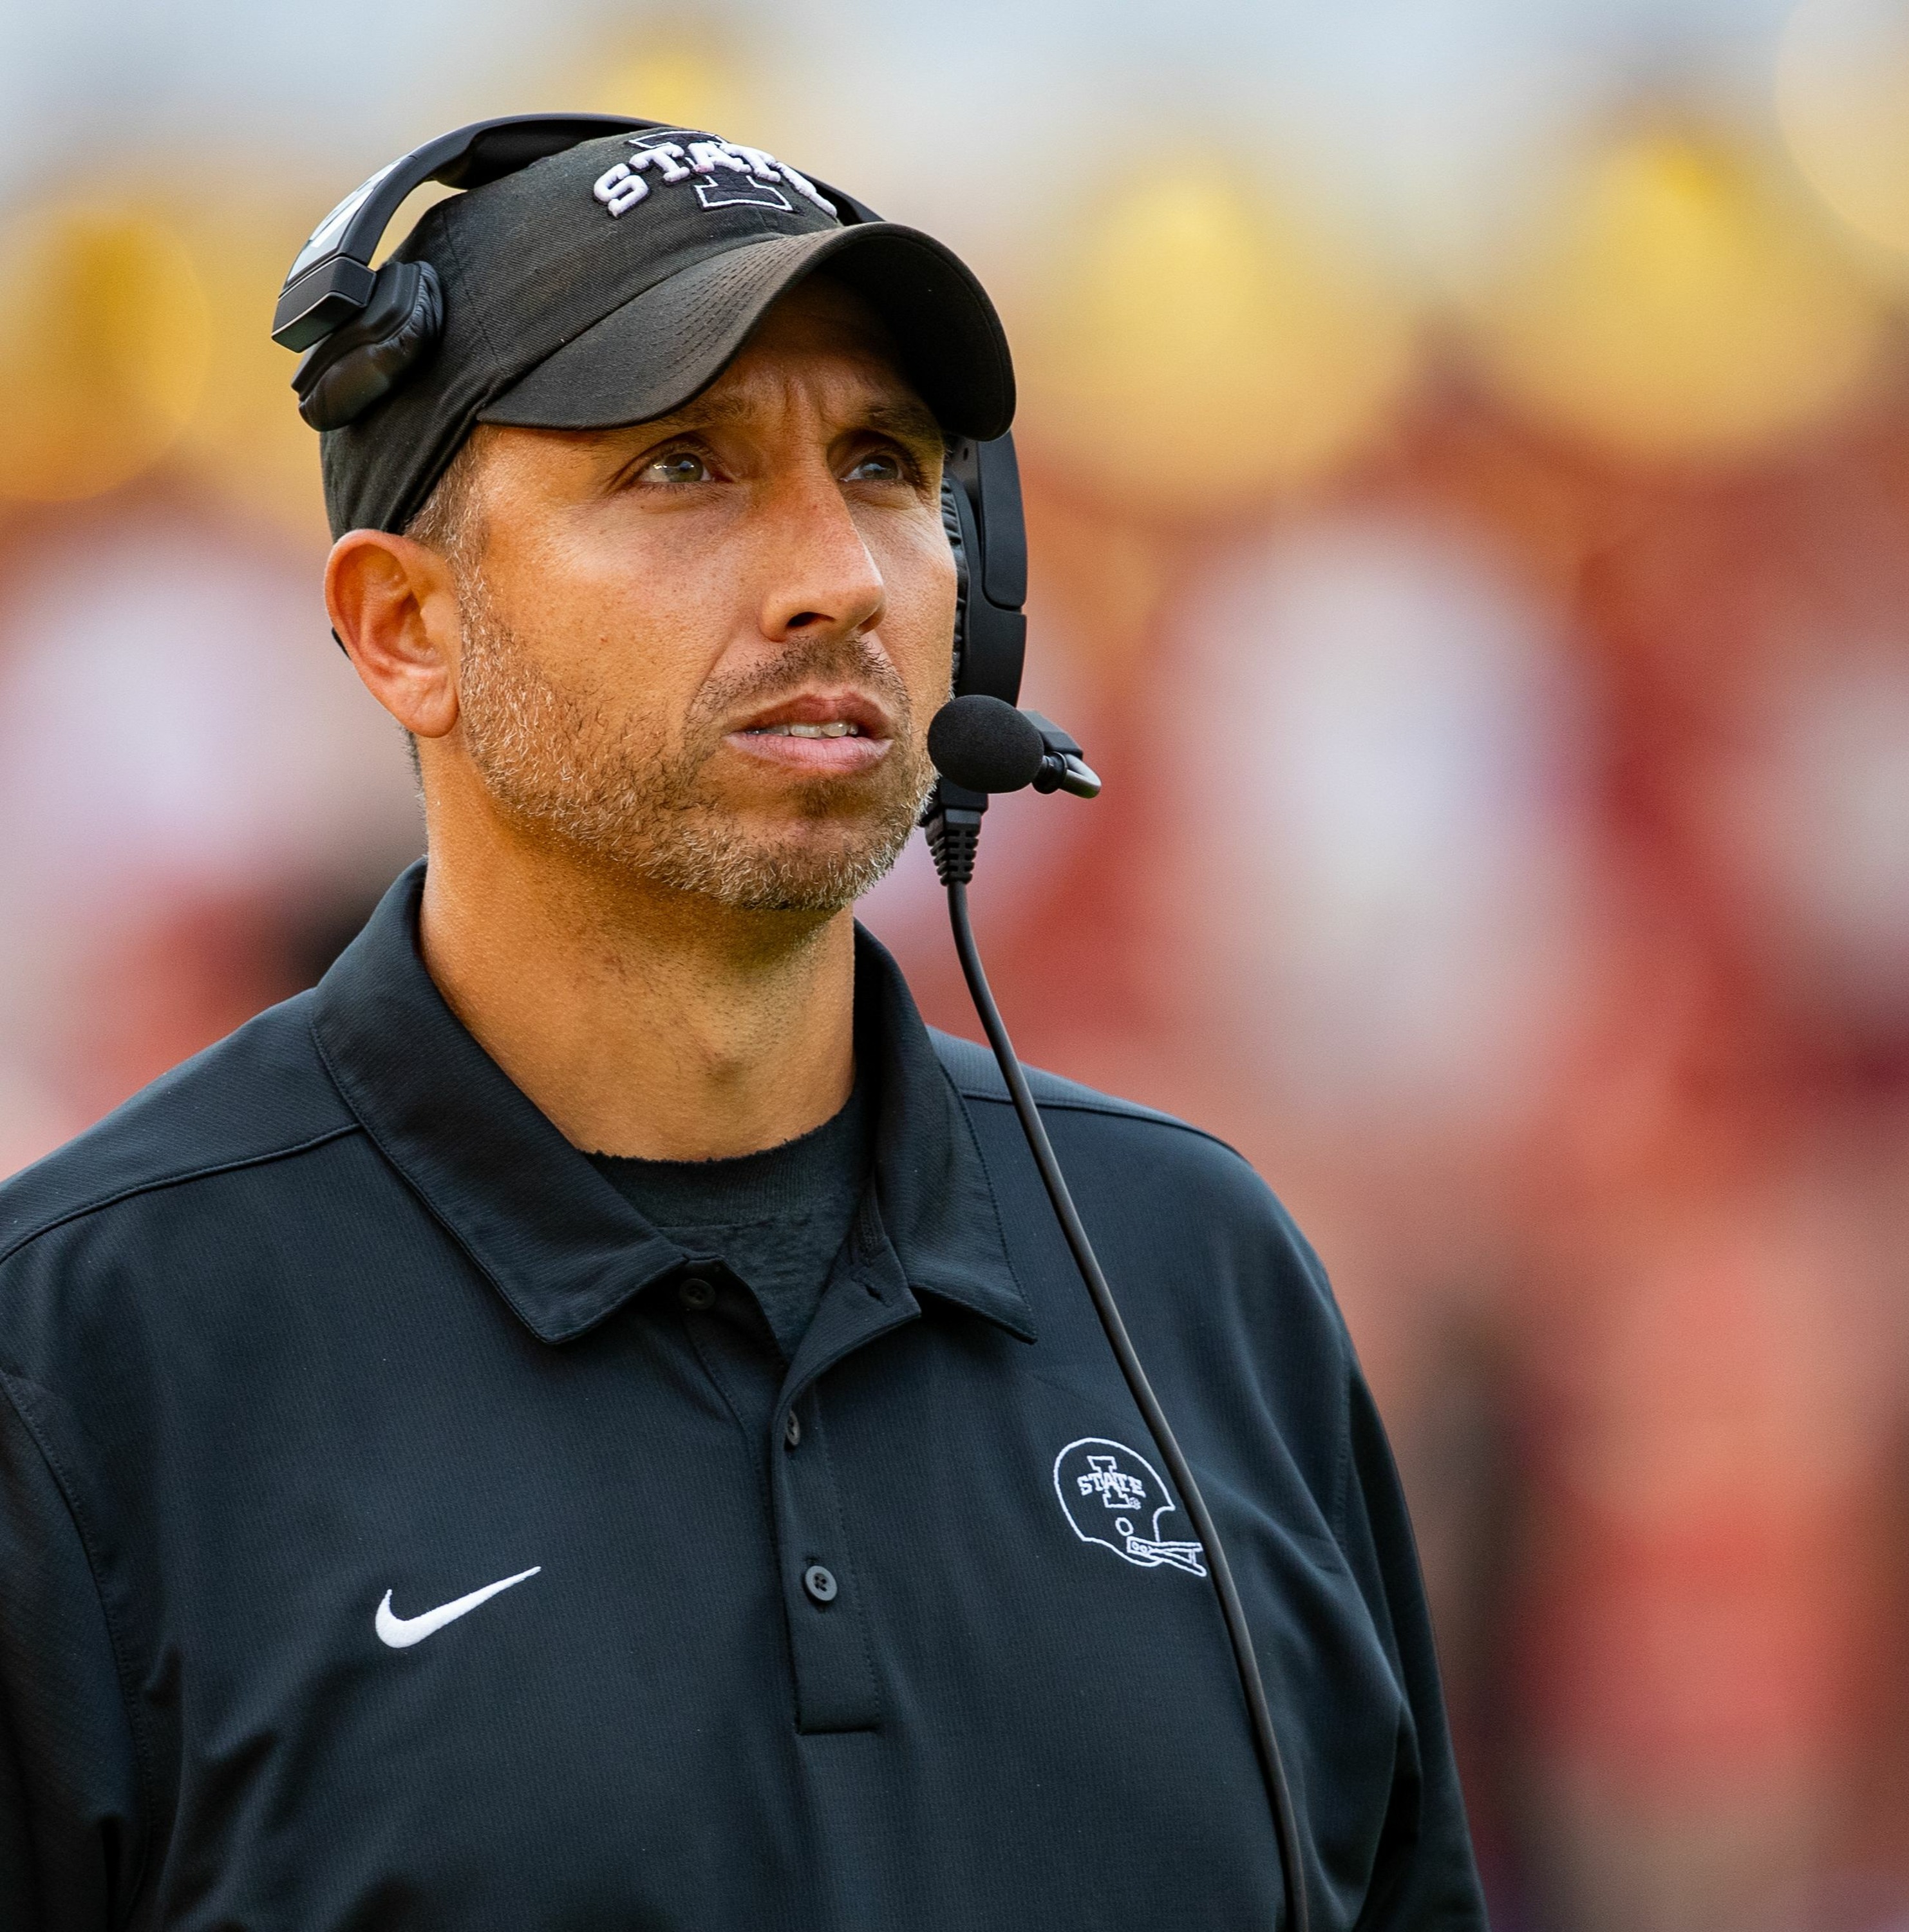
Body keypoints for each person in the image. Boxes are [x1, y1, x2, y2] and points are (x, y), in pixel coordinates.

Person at [0, 124, 1487, 1930]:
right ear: (404, 629)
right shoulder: (75, 1360)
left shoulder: (1197, 1272)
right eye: (683, 465)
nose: (837, 576)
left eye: (884, 467)